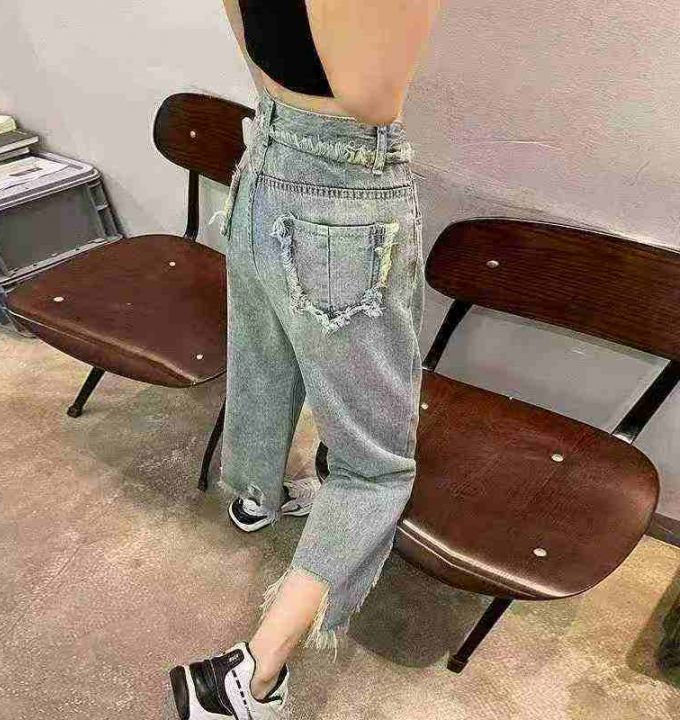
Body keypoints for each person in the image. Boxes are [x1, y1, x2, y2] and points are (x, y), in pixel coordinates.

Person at [170, 2, 441, 717]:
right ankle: (246, 682)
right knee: (375, 468)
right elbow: (372, 99)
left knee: (266, 360)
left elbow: (253, 43)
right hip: (344, 190)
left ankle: (256, 497)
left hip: (265, 159)